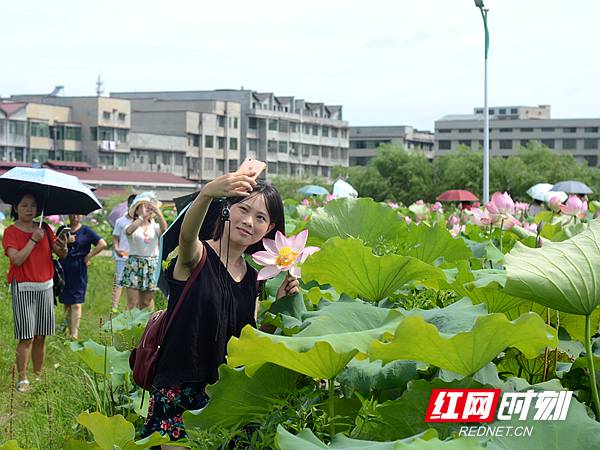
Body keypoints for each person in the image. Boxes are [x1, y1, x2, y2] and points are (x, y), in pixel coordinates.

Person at [140, 170, 298, 446]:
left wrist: (283, 304)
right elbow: (186, 238)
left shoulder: (253, 278)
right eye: (243, 210)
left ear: (270, 228)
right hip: (180, 386)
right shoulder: (197, 255)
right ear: (226, 209)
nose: (249, 222)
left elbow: (249, 339)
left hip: (224, 393)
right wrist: (206, 194)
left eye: (260, 218)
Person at [2, 191, 68, 392]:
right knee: (26, 336)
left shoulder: (45, 228)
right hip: (23, 287)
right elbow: (17, 260)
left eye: (32, 205)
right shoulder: (11, 232)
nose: (29, 209)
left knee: (41, 335)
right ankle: (22, 378)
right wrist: (33, 240)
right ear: (16, 208)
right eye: (24, 205)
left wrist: (62, 247)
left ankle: (37, 376)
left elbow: (60, 254)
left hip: (45, 287)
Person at [58, 214, 107, 339]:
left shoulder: (86, 231)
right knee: (67, 302)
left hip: (79, 267)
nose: (75, 217)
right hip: (64, 267)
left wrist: (89, 256)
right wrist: (65, 242)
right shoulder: (63, 229)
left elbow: (102, 243)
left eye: (78, 215)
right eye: (73, 214)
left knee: (76, 302)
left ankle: (74, 334)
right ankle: (68, 330)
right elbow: (55, 247)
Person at [122, 192, 167, 310]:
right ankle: (130, 327)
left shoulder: (155, 226)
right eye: (143, 206)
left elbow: (165, 231)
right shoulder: (132, 225)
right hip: (134, 264)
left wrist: (158, 213)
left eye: (149, 206)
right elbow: (128, 231)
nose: (147, 208)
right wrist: (141, 217)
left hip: (151, 264)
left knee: (146, 302)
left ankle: (146, 326)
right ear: (136, 211)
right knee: (132, 303)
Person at [111, 194, 136, 312]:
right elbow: (115, 238)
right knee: (119, 281)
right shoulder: (120, 221)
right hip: (122, 256)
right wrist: (116, 249)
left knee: (133, 283)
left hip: (135, 257)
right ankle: (114, 307)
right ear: (128, 205)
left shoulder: (139, 222)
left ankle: (130, 307)